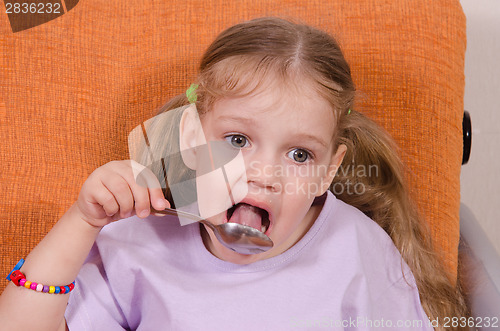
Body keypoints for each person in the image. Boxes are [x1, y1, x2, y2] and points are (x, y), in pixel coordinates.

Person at [0, 17, 467, 330]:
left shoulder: (356, 250)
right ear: (188, 135)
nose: (263, 174)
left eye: (300, 155)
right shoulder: (137, 241)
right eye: (238, 141)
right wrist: (83, 222)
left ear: (329, 171)